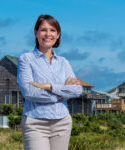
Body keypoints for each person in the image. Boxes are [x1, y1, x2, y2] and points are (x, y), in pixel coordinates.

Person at [17, 14, 83, 150]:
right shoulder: (26, 59)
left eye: (52, 30)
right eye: (43, 30)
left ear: (58, 35)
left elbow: (77, 90)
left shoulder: (64, 62)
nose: (48, 34)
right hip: (35, 123)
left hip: (62, 122)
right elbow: (29, 92)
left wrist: (49, 86)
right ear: (36, 32)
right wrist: (61, 93)